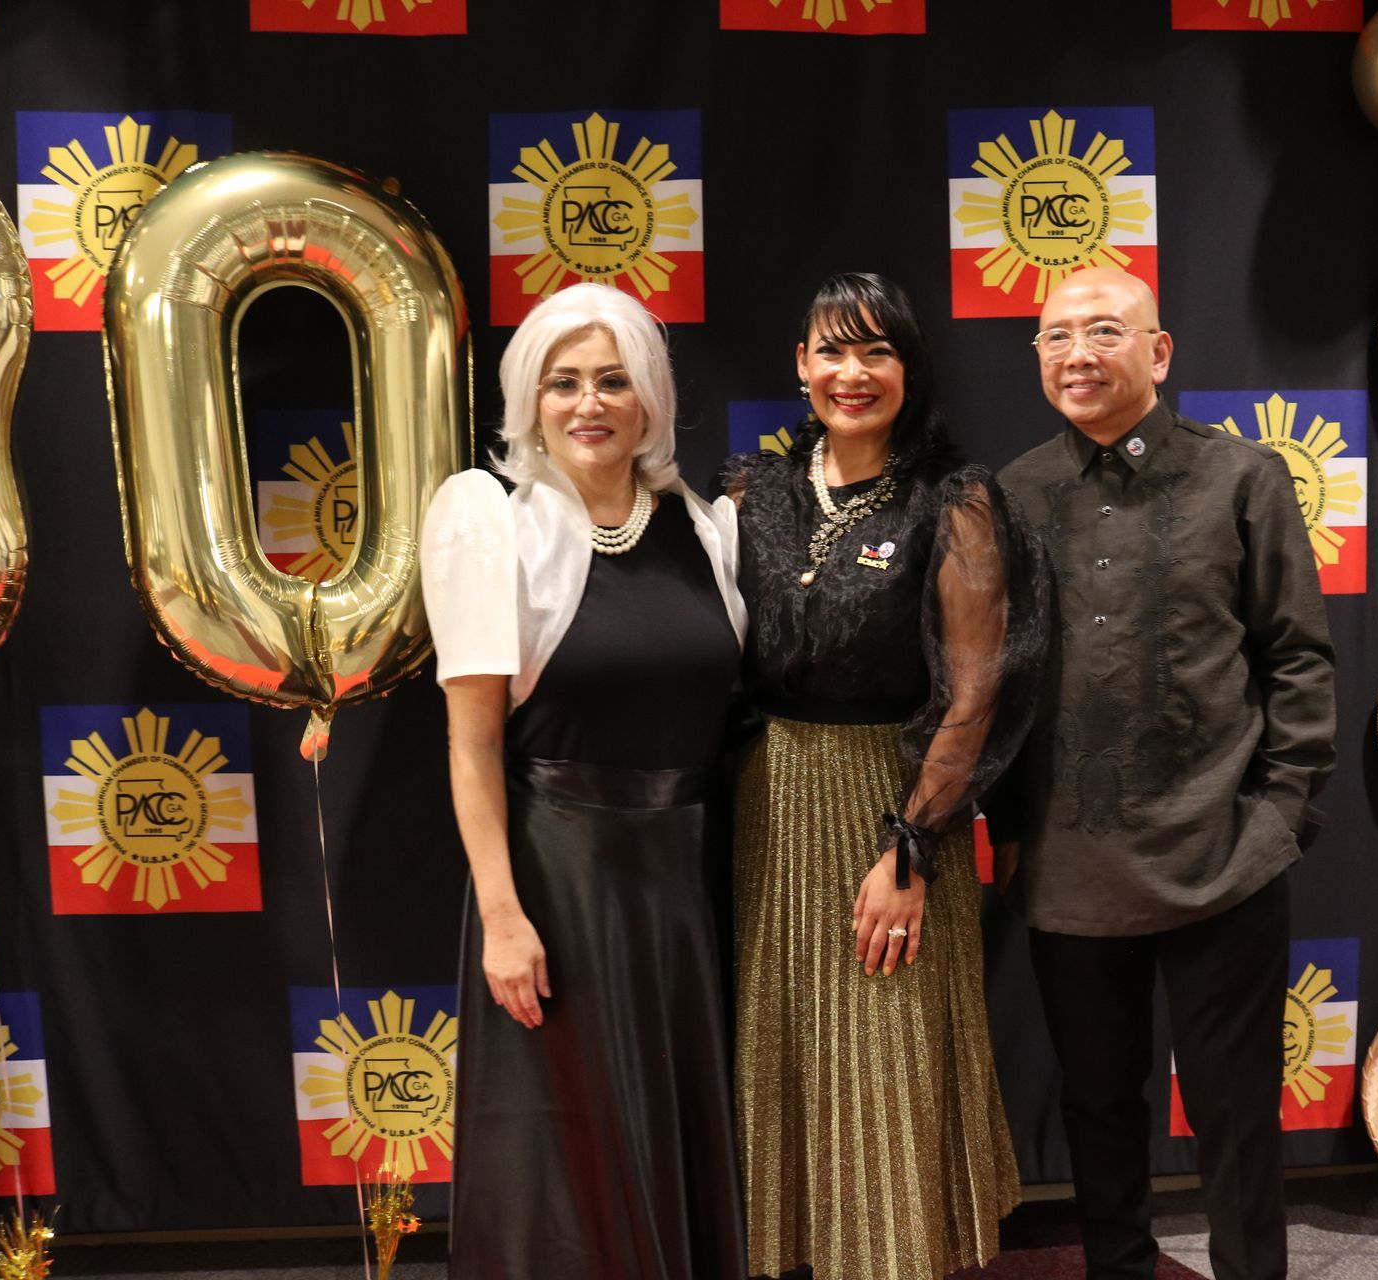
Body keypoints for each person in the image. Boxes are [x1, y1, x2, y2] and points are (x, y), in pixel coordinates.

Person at [992, 267, 1335, 1280]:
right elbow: (997, 682)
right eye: (1056, 336)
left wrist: (1282, 814)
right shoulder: (1013, 493)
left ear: (1160, 350)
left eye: (1105, 330)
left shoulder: (1242, 478)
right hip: (1067, 863)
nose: (1078, 354)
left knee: (1235, 1111)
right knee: (1098, 1102)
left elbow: (1298, 656)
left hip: (1223, 854)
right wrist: (1011, 832)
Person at [420, 283, 749, 1279]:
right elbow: (471, 743)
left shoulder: (709, 529)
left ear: (649, 398)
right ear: (530, 401)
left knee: (684, 1126)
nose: (588, 402)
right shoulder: (493, 524)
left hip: (691, 882)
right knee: (565, 1157)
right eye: (562, 382)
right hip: (560, 876)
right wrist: (501, 914)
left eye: (612, 379)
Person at [723, 272, 1048, 1280]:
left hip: (896, 806)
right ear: (800, 366)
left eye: (877, 352)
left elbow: (974, 693)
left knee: (888, 1060)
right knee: (781, 1053)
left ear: (910, 369)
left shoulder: (953, 499)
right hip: (769, 806)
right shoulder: (751, 492)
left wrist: (908, 849)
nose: (851, 373)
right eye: (831, 350)